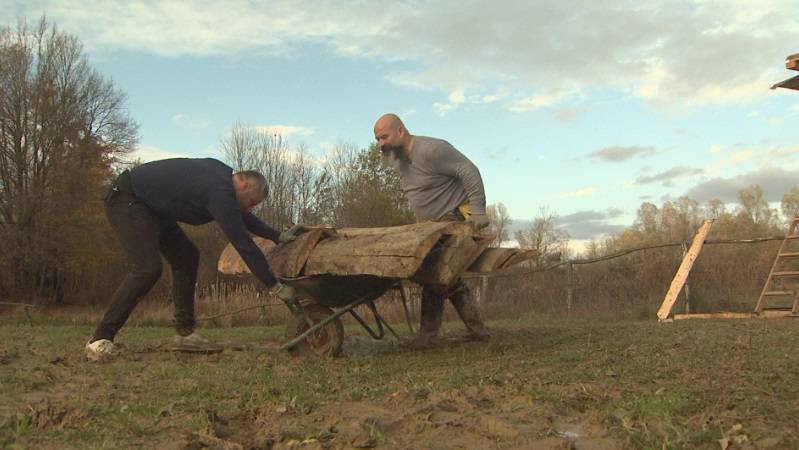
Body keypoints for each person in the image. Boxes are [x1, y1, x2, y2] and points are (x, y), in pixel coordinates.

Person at [85, 158, 303, 361]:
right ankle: (100, 340)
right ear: (244, 185)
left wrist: (277, 236)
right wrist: (274, 285)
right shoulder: (219, 190)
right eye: (251, 202)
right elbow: (244, 245)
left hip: (153, 208)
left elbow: (243, 217)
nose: (250, 207)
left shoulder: (222, 179)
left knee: (187, 257)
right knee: (147, 269)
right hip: (128, 199)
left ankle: (185, 334)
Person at [373, 113, 491, 348]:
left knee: (434, 271)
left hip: (458, 218)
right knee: (450, 276)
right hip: (433, 225)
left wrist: (478, 212)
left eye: (384, 137)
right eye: (377, 139)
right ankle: (478, 331)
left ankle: (428, 336)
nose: (380, 144)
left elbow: (469, 170)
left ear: (400, 131)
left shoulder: (432, 150)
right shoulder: (400, 159)